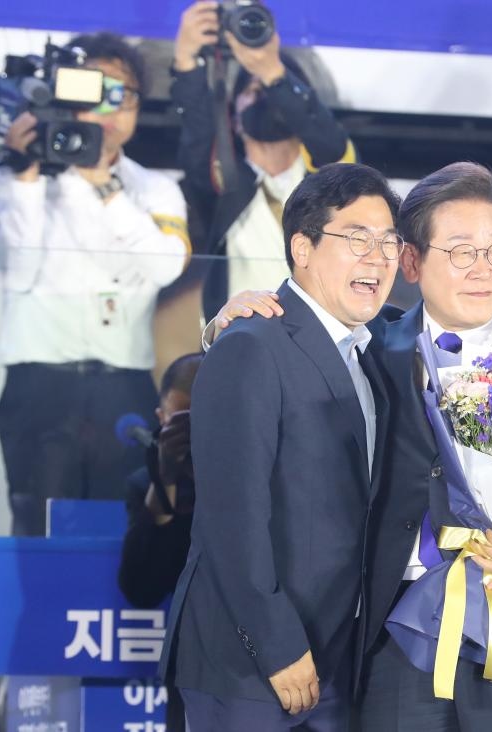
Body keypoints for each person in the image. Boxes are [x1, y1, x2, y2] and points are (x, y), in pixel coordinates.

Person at [211, 162, 492, 731]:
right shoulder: (370, 342)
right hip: (396, 639)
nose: (482, 268)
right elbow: (280, 346)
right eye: (460, 251)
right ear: (411, 261)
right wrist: (225, 320)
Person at [158, 163, 401, 732]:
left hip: (338, 656)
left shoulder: (375, 346)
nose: (378, 257)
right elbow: (231, 517)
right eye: (357, 238)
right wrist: (275, 645)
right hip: (250, 664)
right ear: (302, 247)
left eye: (389, 241)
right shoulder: (250, 345)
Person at [0, 32, 189, 536]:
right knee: (37, 530)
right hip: (40, 385)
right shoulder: (20, 174)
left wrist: (103, 186)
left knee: (120, 531)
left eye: (124, 94)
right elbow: (15, 272)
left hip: (123, 385)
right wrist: (26, 179)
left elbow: (166, 266)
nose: (110, 108)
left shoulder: (153, 188)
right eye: (96, 90)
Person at [171, 0, 356, 320]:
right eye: (252, 90)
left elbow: (326, 137)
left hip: (319, 339)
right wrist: (186, 61)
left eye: (272, 90)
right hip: (238, 341)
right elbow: (197, 133)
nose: (264, 95)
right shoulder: (222, 183)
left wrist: (274, 73)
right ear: (234, 116)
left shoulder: (330, 183)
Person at [118, 351, 202, 730]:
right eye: (181, 419)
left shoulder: (264, 472)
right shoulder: (146, 484)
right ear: (161, 417)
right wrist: (165, 477)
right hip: (191, 665)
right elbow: (141, 588)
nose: (191, 430)